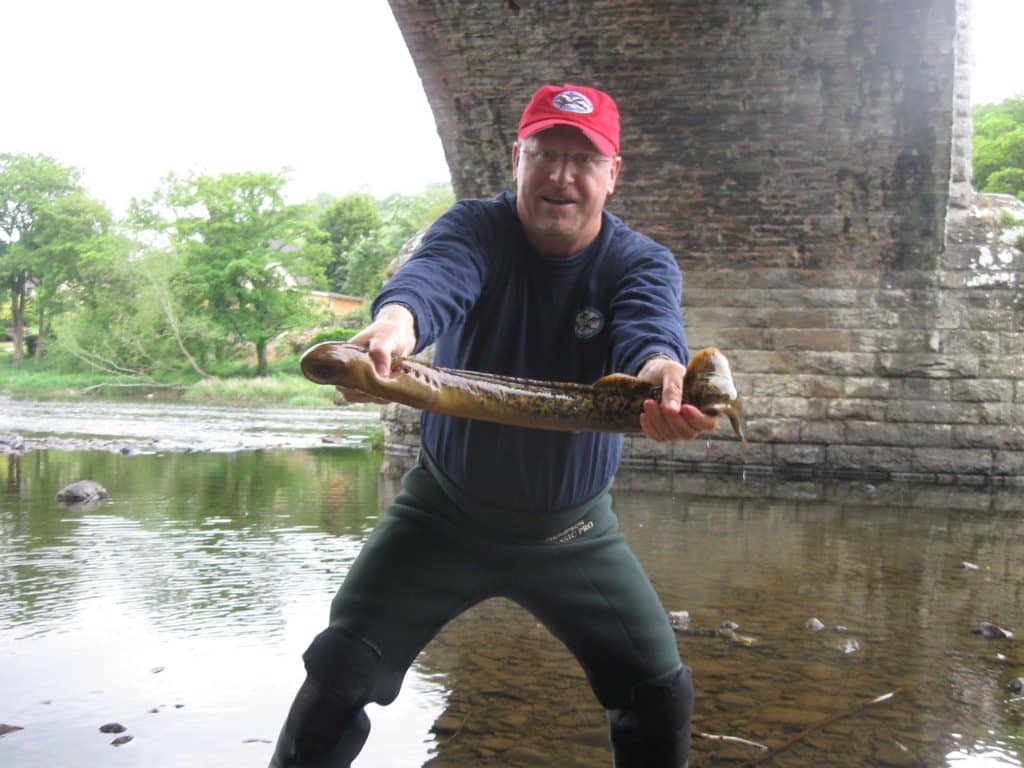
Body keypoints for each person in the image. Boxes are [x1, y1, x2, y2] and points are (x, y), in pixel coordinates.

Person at [270, 83, 718, 768]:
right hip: (440, 515)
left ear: (612, 174)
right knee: (340, 670)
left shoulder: (639, 261)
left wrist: (661, 373)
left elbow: (648, 329)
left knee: (659, 692)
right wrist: (396, 327)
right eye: (544, 153)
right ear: (518, 157)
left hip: (573, 532)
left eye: (582, 158)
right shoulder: (475, 228)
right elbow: (435, 281)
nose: (560, 175)